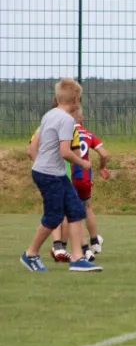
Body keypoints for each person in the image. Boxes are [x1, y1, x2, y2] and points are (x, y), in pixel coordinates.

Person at [21, 78, 102, 272]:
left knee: (75, 210)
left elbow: (34, 146)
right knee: (54, 216)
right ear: (75, 99)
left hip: (51, 172)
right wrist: (83, 162)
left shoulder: (50, 114)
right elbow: (65, 151)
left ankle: (77, 258)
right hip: (50, 175)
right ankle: (30, 254)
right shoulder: (67, 120)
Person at [71, 107, 110, 261]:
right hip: (86, 177)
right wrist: (101, 167)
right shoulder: (88, 134)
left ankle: (83, 248)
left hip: (71, 175)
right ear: (81, 118)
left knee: (72, 214)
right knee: (87, 206)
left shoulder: (66, 133)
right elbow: (104, 154)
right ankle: (95, 241)